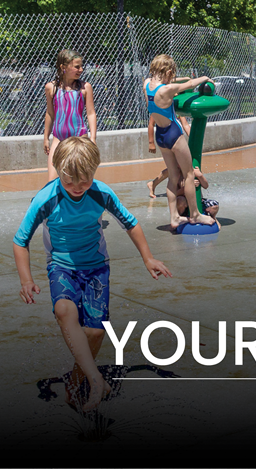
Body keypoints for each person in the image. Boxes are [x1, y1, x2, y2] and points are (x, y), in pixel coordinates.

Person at [13, 136, 171, 411]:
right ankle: (96, 379)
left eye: (83, 181)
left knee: (96, 333)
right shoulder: (46, 198)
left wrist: (148, 258)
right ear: (59, 172)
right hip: (61, 266)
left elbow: (131, 224)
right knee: (65, 312)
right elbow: (20, 240)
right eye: (69, 181)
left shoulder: (101, 193)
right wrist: (26, 279)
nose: (76, 188)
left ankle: (76, 383)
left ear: (94, 171)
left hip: (96, 267)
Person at [143, 54, 214, 230]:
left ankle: (174, 217)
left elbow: (176, 81)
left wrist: (183, 78)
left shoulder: (146, 84)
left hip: (160, 135)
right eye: (171, 74)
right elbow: (188, 86)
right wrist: (203, 78)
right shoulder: (167, 90)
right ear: (167, 71)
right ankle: (196, 215)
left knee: (173, 177)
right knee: (189, 174)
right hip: (173, 134)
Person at [43, 50, 97, 181]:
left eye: (81, 66)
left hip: (79, 138)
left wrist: (93, 138)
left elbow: (91, 113)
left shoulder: (85, 87)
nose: (81, 69)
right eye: (77, 66)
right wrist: (46, 138)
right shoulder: (51, 87)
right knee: (52, 180)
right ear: (63, 67)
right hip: (58, 139)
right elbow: (50, 113)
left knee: (81, 179)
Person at [146, 115, 190, 198]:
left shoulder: (177, 108)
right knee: (176, 167)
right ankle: (153, 184)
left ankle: (153, 184)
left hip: (178, 140)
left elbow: (185, 125)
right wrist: (151, 142)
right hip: (166, 139)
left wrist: (193, 137)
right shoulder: (159, 106)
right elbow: (151, 124)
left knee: (177, 167)